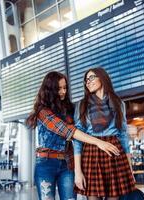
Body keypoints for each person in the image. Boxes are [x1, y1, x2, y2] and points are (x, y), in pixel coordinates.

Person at [26, 71, 120, 200]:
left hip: (67, 163)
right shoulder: (43, 112)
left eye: (65, 88)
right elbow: (69, 131)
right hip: (46, 164)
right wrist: (99, 142)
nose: (63, 92)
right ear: (49, 89)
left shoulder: (71, 109)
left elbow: (82, 133)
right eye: (59, 88)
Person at [74, 67, 136, 200]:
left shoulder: (118, 103)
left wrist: (129, 167)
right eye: (86, 80)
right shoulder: (82, 105)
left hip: (115, 153)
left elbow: (123, 135)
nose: (88, 82)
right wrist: (77, 171)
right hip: (91, 152)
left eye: (91, 78)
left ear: (102, 78)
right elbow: (77, 138)